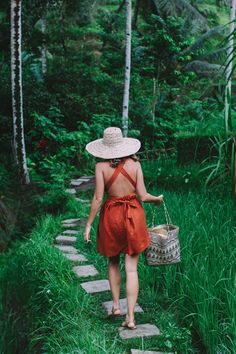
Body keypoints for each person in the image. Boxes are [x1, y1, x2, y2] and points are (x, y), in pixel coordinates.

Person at [83, 127, 163, 330]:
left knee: (112, 262)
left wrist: (89, 224)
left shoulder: (101, 166)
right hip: (133, 215)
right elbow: (143, 196)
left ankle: (116, 306)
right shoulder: (136, 164)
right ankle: (131, 318)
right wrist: (157, 200)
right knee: (132, 268)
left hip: (111, 216)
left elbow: (99, 198)